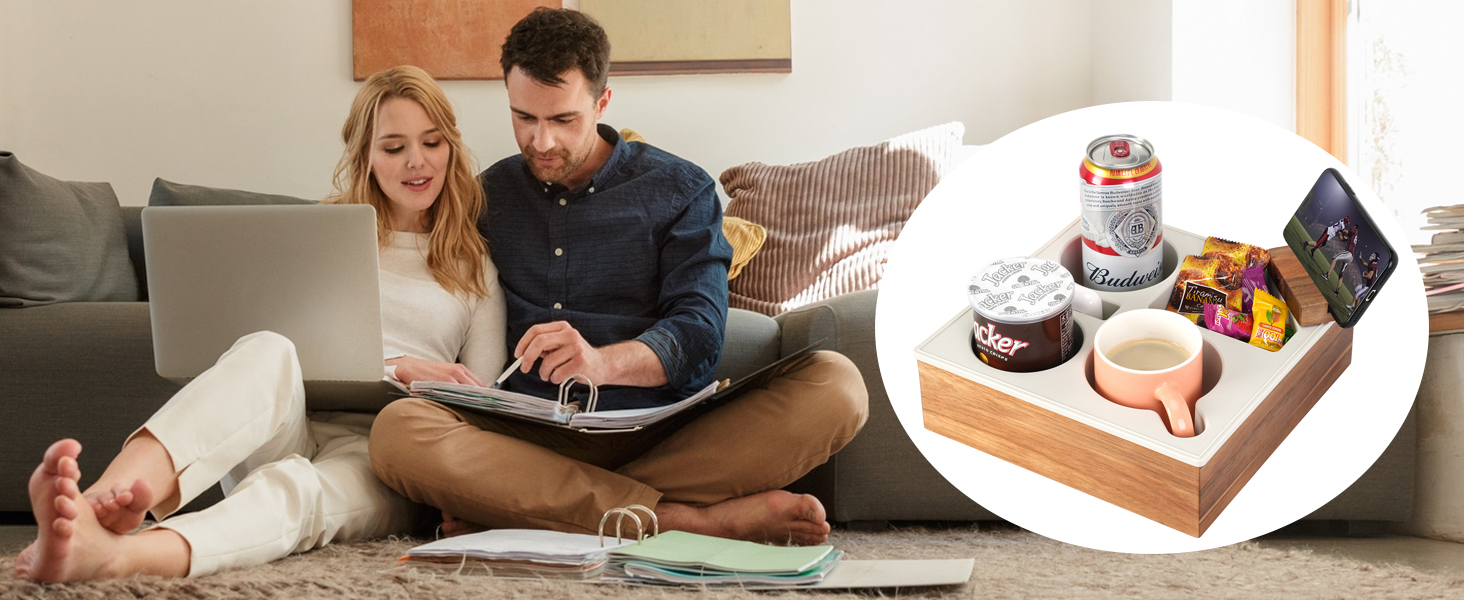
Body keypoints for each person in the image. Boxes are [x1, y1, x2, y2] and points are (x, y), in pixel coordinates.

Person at [369, 8, 868, 546]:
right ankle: (687, 521)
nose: (540, 142)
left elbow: (699, 333)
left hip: (661, 433)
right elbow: (420, 279)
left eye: (563, 120)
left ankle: (526, 510)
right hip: (528, 440)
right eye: (524, 118)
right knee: (397, 432)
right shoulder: (487, 197)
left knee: (838, 386)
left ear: (603, 101)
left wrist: (601, 362)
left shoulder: (680, 189)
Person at [15, 65, 505, 582]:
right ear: (365, 155)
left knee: (295, 490)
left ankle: (117, 556)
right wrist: (395, 363)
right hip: (283, 420)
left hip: (386, 452)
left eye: (432, 142)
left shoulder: (474, 266)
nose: (417, 162)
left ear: (451, 146)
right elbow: (274, 356)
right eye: (393, 147)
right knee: (268, 346)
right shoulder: (320, 236)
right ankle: (100, 503)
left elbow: (486, 402)